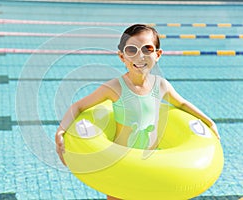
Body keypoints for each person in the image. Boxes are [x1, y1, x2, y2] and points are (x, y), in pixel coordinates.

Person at [55, 24, 220, 200]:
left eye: (147, 49)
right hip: (121, 163)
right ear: (122, 56)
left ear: (157, 54)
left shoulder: (161, 85)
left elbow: (182, 104)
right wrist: (61, 130)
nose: (139, 56)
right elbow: (78, 106)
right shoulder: (115, 87)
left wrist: (209, 122)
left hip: (153, 161)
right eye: (131, 49)